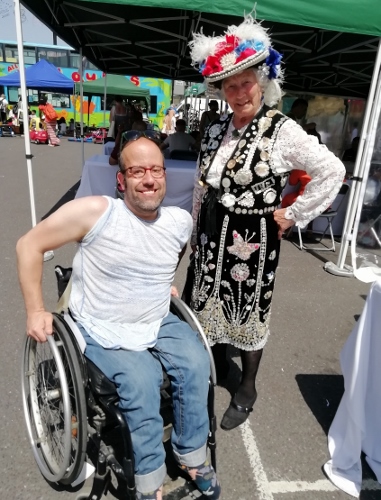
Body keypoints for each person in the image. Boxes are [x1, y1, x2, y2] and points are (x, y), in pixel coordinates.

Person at [16, 132, 220, 500]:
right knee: (141, 384)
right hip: (102, 323)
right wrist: (35, 310)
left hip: (156, 316)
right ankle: (149, 482)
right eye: (138, 170)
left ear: (165, 176)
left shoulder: (178, 221)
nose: (149, 179)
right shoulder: (96, 213)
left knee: (196, 364)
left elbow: (171, 252)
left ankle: (190, 455)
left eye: (156, 170)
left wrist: (162, 283)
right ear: (121, 180)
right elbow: (29, 244)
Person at [185, 15, 345, 431]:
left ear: (264, 80)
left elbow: (332, 170)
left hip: (250, 239)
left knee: (248, 309)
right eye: (229, 85)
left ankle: (248, 387)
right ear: (219, 89)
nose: (238, 93)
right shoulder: (217, 124)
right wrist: (192, 228)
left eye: (246, 83)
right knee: (207, 300)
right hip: (210, 229)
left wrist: (294, 213)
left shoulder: (282, 130)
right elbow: (203, 181)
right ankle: (217, 365)